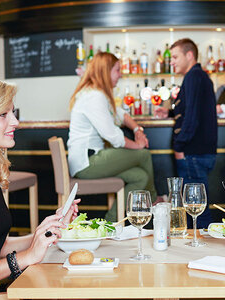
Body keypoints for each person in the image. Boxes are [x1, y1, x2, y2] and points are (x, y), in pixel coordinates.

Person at [0, 76, 79, 295]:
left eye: (13, 113)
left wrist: (43, 234)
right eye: (3, 115)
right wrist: (24, 258)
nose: (15, 122)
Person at [67, 52, 159, 221]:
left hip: (91, 159)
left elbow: (120, 114)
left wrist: (137, 129)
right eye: (117, 70)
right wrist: (138, 145)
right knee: (144, 154)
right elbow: (113, 136)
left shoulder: (97, 94)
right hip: (87, 163)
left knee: (141, 177)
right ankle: (153, 201)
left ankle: (109, 223)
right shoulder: (94, 96)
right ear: (105, 71)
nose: (121, 74)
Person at [155, 38, 217, 228]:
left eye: (175, 56)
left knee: (196, 211)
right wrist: (170, 112)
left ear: (189, 55)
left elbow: (192, 118)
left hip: (193, 153)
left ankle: (201, 251)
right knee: (195, 209)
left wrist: (180, 146)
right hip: (198, 152)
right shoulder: (197, 76)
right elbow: (192, 108)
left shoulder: (194, 76)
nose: (171, 61)